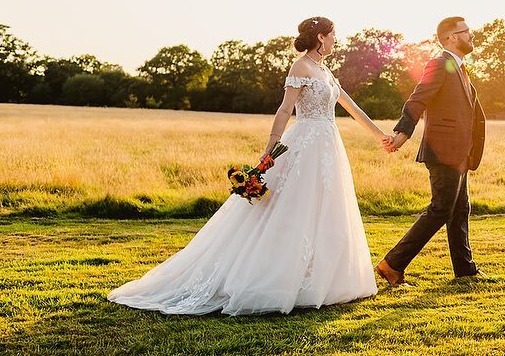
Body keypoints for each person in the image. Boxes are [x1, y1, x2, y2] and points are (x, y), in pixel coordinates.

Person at [108, 16, 394, 315]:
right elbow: (285, 109)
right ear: (321, 37)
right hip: (305, 144)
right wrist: (269, 149)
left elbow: (350, 105)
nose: (337, 39)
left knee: (327, 208)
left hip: (328, 146)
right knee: (292, 208)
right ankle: (275, 277)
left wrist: (380, 136)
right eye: (334, 34)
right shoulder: (301, 67)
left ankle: (321, 278)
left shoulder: (325, 70)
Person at [376, 16, 488, 286]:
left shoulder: (460, 68)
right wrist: (402, 134)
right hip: (443, 151)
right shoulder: (439, 64)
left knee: (460, 210)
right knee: (440, 210)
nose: (471, 36)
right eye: (467, 32)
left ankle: (465, 269)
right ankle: (392, 264)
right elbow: (417, 100)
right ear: (451, 37)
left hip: (460, 152)